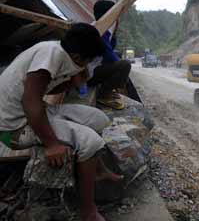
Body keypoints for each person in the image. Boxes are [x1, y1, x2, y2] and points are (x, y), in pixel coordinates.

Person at [0, 23, 120, 221]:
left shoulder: (57, 51)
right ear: (78, 58)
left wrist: (71, 81)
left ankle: (97, 169)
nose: (87, 66)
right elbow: (30, 101)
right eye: (87, 62)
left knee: (98, 119)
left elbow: (47, 90)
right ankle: (88, 212)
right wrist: (52, 144)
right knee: (89, 140)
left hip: (27, 113)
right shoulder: (52, 55)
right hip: (10, 129)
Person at [87, 0, 131, 110]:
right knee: (125, 65)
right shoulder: (99, 31)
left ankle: (108, 89)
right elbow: (109, 55)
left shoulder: (102, 29)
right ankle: (104, 94)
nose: (117, 19)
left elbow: (110, 49)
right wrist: (122, 77)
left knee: (119, 60)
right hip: (87, 74)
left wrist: (114, 33)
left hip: (92, 69)